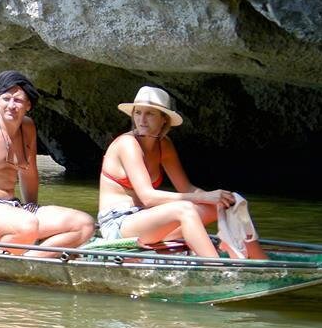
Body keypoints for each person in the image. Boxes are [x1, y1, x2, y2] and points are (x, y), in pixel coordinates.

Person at [95, 85, 261, 260]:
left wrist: (219, 199)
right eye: (138, 113)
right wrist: (205, 197)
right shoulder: (127, 144)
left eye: (150, 114)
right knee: (184, 210)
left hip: (147, 221)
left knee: (228, 205)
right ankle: (216, 268)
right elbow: (148, 197)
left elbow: (186, 188)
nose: (142, 120)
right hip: (118, 224)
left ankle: (262, 262)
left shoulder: (164, 144)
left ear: (164, 119)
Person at [0, 71, 94, 252]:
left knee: (84, 224)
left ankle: (32, 260)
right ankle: (1, 251)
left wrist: (31, 207)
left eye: (18, 100)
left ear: (28, 105)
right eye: (6, 99)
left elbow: (29, 172)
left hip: (14, 207)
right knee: (28, 225)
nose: (11, 105)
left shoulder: (27, 127)